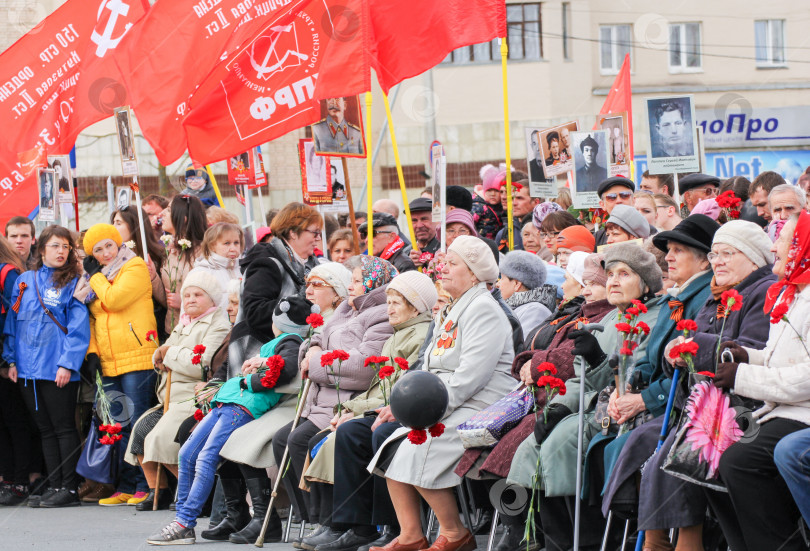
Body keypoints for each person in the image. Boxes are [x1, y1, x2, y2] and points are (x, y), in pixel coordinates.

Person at [604, 219, 776, 551]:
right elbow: (664, 353)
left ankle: (680, 542)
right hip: (697, 403)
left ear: (753, 258)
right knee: (654, 450)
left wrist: (690, 347)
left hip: (739, 408)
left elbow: (748, 349)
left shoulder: (759, 291)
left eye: (728, 253)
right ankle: (658, 539)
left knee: (670, 451)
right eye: (716, 254)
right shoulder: (715, 297)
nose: (719, 261)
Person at [508, 243, 664, 550]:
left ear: (645, 283)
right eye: (610, 275)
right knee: (530, 447)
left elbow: (632, 378)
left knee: (562, 442)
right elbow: (580, 380)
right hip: (590, 405)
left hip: (625, 411)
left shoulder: (657, 319)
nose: (614, 281)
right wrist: (557, 407)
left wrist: (598, 361)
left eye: (624, 274)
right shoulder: (607, 320)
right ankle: (537, 537)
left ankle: (582, 540)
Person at [367, 236, 514, 551]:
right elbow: (430, 367)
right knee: (392, 447)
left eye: (452, 264)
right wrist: (405, 405)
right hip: (446, 400)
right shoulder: (452, 308)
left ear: (473, 274)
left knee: (420, 446)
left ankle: (454, 533)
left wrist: (425, 411)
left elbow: (470, 378)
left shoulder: (484, 309)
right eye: (444, 262)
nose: (442, 269)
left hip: (482, 404)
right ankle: (411, 535)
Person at [462, 252, 612, 551]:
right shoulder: (575, 311)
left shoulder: (603, 317)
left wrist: (536, 360)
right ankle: (517, 527)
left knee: (513, 448)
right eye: (583, 283)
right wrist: (530, 361)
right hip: (535, 393)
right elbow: (530, 349)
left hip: (558, 397)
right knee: (482, 449)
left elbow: (573, 361)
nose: (583, 289)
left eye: (592, 285)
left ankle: (526, 533)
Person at [146, 296, 312, 545]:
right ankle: (182, 518)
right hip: (227, 402)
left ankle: (185, 522)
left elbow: (285, 370)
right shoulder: (279, 341)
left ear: (280, 321)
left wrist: (252, 376)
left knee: (206, 457)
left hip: (241, 406)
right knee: (187, 454)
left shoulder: (290, 340)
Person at [300, 272, 436, 551]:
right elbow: (380, 389)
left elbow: (399, 389)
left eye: (397, 302)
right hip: (380, 406)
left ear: (416, 306)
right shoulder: (399, 334)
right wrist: (349, 407)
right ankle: (345, 524)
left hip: (400, 411)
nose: (389, 309)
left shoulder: (418, 335)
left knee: (361, 434)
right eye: (388, 302)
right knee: (327, 435)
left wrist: (356, 409)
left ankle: (385, 526)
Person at [706, 211, 810, 551]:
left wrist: (743, 375)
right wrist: (747, 357)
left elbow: (806, 377)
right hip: (786, 407)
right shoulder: (793, 292)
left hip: (801, 410)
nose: (776, 246)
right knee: (713, 454)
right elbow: (784, 356)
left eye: (785, 239)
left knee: (742, 459)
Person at [274, 256, 396, 541]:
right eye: (351, 280)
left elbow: (362, 366)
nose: (350, 286)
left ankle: (331, 522)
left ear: (373, 282)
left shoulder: (379, 314)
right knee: (282, 440)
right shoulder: (345, 308)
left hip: (345, 398)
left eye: (356, 280)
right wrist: (313, 349)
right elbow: (317, 338)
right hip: (319, 396)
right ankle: (315, 517)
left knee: (303, 440)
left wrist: (315, 364)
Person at [127, 271, 231, 512]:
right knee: (140, 432)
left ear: (212, 299)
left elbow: (203, 363)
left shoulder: (218, 324)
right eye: (187, 295)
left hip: (192, 398)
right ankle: (159, 490)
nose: (191, 299)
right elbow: (163, 352)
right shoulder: (184, 323)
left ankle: (198, 494)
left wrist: (169, 354)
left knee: (159, 439)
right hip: (168, 398)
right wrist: (160, 356)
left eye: (198, 294)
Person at [3, 225, 90, 508]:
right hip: (27, 370)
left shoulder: (76, 280)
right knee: (45, 429)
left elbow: (78, 328)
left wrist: (67, 364)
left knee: (64, 428)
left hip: (58, 369)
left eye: (66, 247)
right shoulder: (24, 280)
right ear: (41, 250)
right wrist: (11, 360)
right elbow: (12, 323)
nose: (61, 251)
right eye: (55, 246)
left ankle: (70, 488)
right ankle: (54, 485)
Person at [81, 224, 161, 506]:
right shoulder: (94, 280)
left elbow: (114, 301)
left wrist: (94, 278)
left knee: (139, 421)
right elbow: (91, 318)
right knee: (119, 424)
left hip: (137, 356)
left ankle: (146, 484)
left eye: (108, 246)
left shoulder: (134, 266)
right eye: (97, 250)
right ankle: (127, 484)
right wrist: (92, 353)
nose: (104, 253)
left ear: (118, 245)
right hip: (110, 360)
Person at [0, 237, 35, 505]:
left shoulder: (8, 273)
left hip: (6, 356)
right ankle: (8, 478)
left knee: (15, 420)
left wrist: (8, 360)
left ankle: (20, 481)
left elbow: (18, 316)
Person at [156, 195, 207, 334]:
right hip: (173, 331)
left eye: (168, 210)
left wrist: (185, 304)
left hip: (196, 332)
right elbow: (168, 298)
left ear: (183, 218)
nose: (161, 214)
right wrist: (152, 276)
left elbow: (213, 295)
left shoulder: (203, 253)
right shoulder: (169, 249)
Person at [185, 222, 244, 314]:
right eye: (226, 243)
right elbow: (187, 312)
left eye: (236, 243)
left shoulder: (244, 269)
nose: (233, 248)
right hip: (215, 327)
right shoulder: (200, 273)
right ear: (212, 246)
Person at [497, 250, 552, 335]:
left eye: (502, 278)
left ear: (517, 284)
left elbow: (523, 345)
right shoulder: (518, 306)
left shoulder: (535, 311)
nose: (498, 284)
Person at [594, 177, 636, 246]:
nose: (619, 200)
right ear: (602, 205)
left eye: (625, 195)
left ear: (633, 201)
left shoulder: (648, 232)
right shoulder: (598, 237)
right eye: (611, 197)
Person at [472, 164, 505, 240]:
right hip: (480, 242)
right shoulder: (478, 207)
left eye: (496, 191)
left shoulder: (502, 206)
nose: (493, 194)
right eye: (489, 190)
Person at [406, 198, 440, 269]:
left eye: (424, 219)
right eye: (414, 220)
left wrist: (426, 263)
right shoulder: (406, 252)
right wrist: (409, 265)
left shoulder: (444, 249)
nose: (419, 225)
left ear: (437, 220)